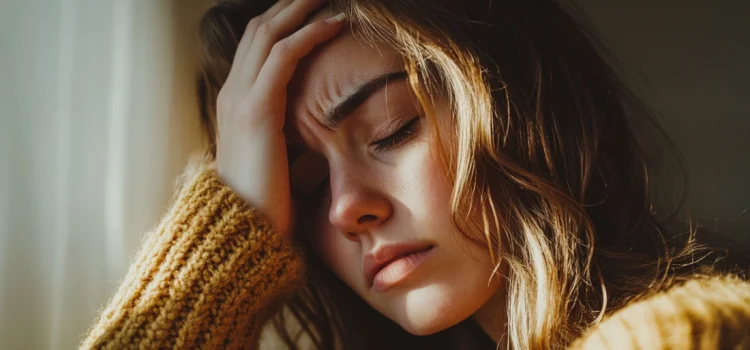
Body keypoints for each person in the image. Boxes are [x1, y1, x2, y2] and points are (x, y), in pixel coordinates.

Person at [80, 0, 750, 349]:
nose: (346, 209)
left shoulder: (689, 333)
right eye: (308, 189)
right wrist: (235, 221)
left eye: (391, 130)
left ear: (519, 98)